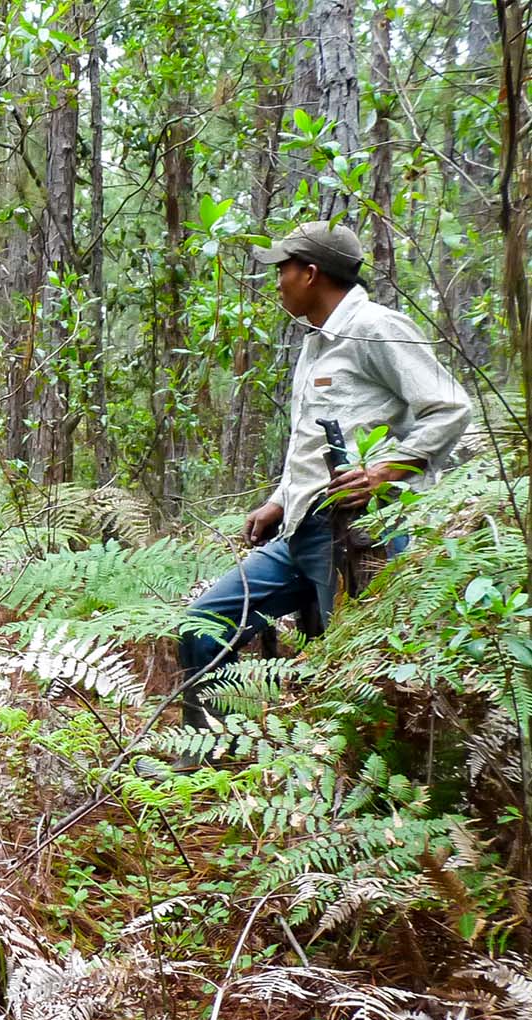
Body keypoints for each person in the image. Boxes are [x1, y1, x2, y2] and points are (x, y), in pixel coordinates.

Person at [166, 221, 472, 762]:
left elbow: (450, 408)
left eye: (282, 268)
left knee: (362, 675)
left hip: (361, 536)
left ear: (310, 273)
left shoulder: (376, 329)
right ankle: (215, 757)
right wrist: (281, 498)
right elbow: (316, 436)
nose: (277, 280)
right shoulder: (315, 341)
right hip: (300, 529)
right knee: (204, 624)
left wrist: (385, 470)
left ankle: (379, 798)